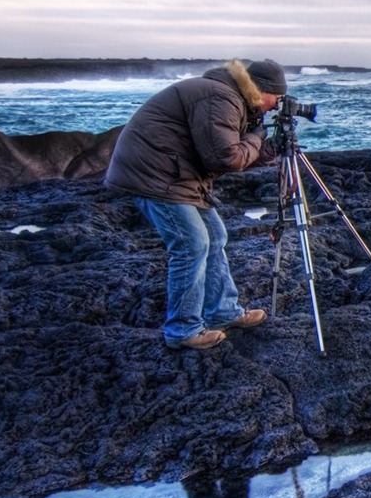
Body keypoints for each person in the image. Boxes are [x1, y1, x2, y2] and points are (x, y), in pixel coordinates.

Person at [106, 59, 288, 349]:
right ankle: (182, 329)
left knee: (215, 236)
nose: (276, 107)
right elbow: (225, 158)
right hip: (156, 176)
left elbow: (225, 150)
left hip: (177, 174)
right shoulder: (221, 97)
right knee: (192, 245)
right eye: (276, 100)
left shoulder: (227, 96)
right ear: (261, 90)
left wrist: (263, 146)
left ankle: (222, 311)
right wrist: (255, 137)